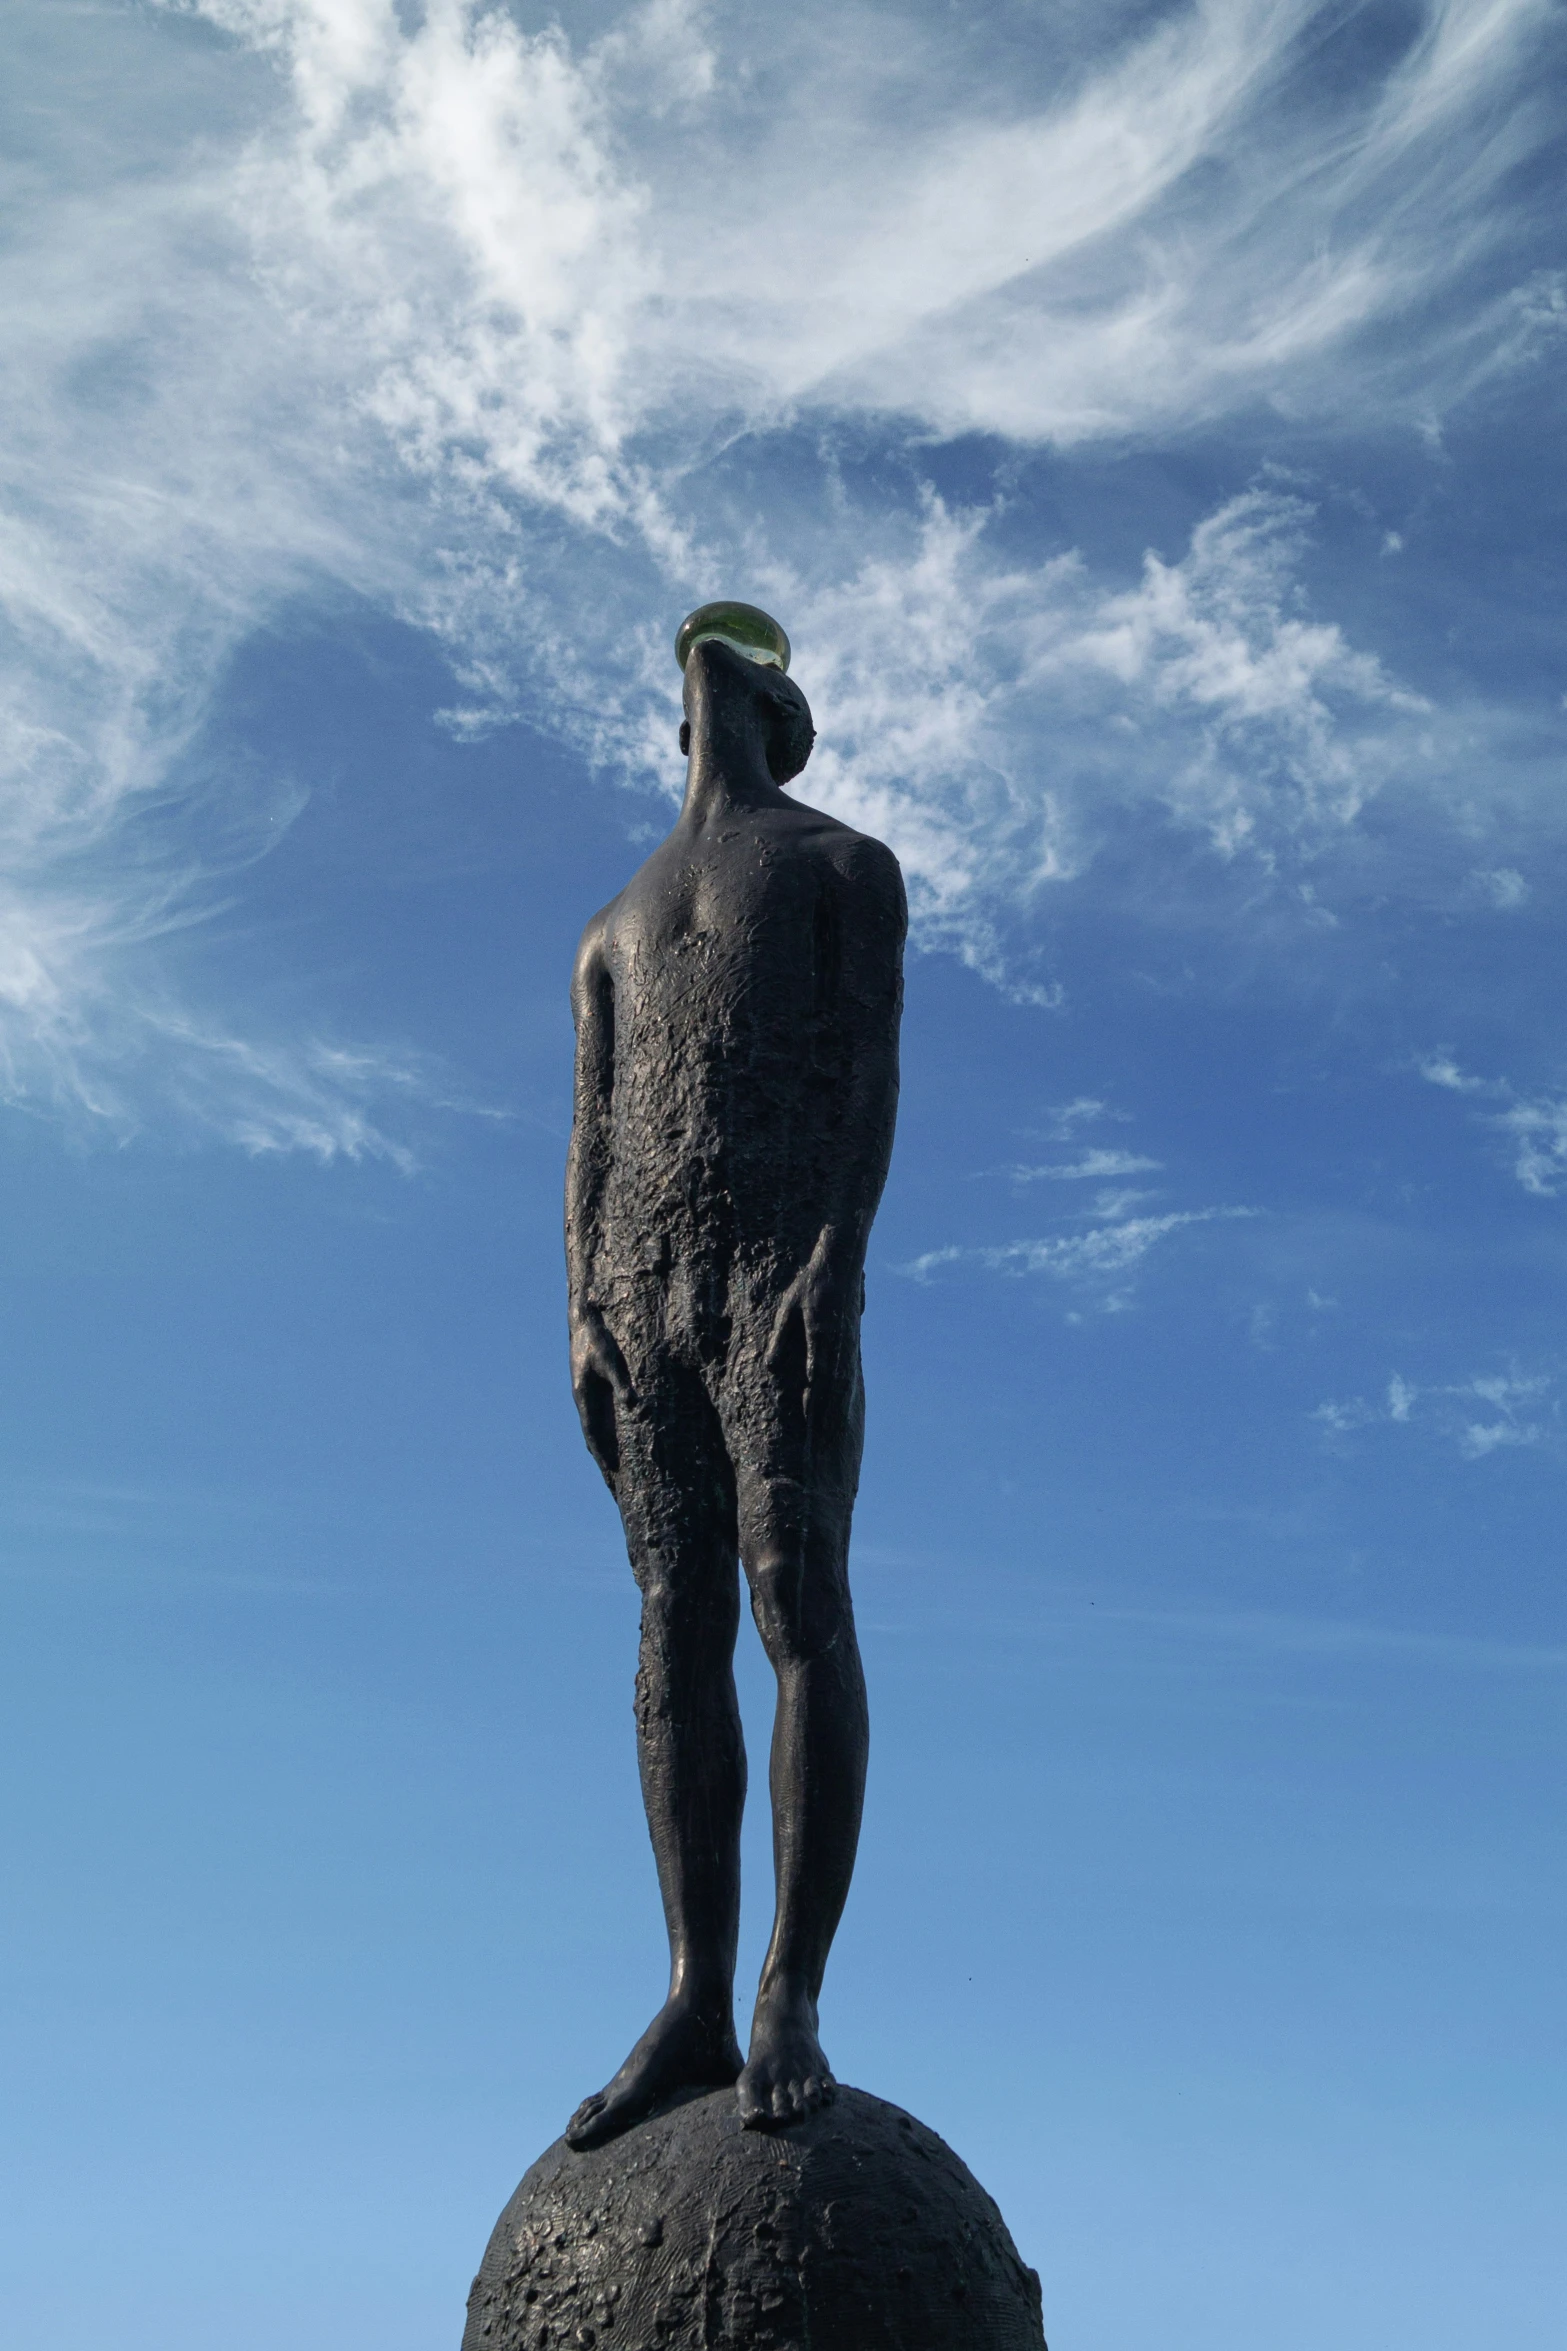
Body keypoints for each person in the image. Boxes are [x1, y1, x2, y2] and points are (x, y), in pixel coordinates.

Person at [563, 610, 906, 2144]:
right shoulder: (610, 926)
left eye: (756, 674)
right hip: (641, 1293)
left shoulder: (843, 867)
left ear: (779, 710)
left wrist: (831, 1255)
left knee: (793, 1594)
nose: (718, 672)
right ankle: (692, 1986)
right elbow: (587, 1130)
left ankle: (787, 1987)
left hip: (774, 1271)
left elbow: (864, 1069)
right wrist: (579, 1304)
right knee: (668, 1623)